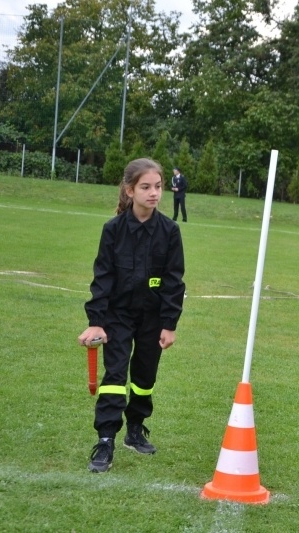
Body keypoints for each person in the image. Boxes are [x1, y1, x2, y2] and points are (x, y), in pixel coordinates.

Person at [78, 158, 186, 473]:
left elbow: (173, 281)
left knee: (144, 378)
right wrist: (96, 319)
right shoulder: (112, 230)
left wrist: (169, 324)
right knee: (114, 376)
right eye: (146, 187)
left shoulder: (169, 230)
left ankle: (135, 428)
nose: (154, 193)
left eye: (158, 186)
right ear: (130, 190)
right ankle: (106, 439)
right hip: (117, 316)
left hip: (152, 318)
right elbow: (102, 277)